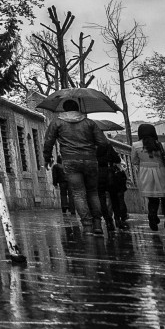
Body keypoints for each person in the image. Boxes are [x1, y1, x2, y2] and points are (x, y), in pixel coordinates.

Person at [43, 99, 116, 236]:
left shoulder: (57, 123)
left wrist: (47, 158)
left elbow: (48, 142)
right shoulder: (89, 123)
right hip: (90, 161)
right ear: (78, 109)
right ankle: (97, 224)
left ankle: (87, 225)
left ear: (64, 110)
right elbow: (103, 143)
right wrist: (92, 149)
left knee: (78, 193)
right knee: (93, 192)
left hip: (70, 161)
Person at [130, 122, 165, 235]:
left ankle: (152, 217)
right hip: (162, 173)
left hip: (146, 174)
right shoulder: (161, 145)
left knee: (152, 199)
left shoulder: (136, 145)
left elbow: (134, 161)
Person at [100, 140, 131, 231]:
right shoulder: (106, 145)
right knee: (114, 198)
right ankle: (117, 219)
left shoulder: (89, 145)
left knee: (102, 198)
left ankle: (107, 220)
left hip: (97, 174)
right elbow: (117, 159)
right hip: (110, 174)